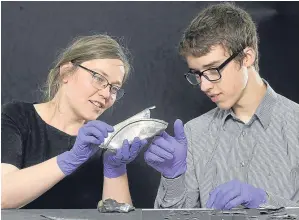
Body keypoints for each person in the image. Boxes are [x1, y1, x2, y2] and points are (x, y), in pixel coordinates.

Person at [144, 3, 299, 209]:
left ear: (246, 58)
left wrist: (266, 202)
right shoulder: (194, 133)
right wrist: (173, 177)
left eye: (213, 69)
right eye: (197, 74)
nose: (204, 86)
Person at [1, 34, 147, 209]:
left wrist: (115, 169)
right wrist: (71, 159)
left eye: (114, 88)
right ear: (66, 73)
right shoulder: (16, 116)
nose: (107, 94)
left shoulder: (104, 142)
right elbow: (3, 196)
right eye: (99, 78)